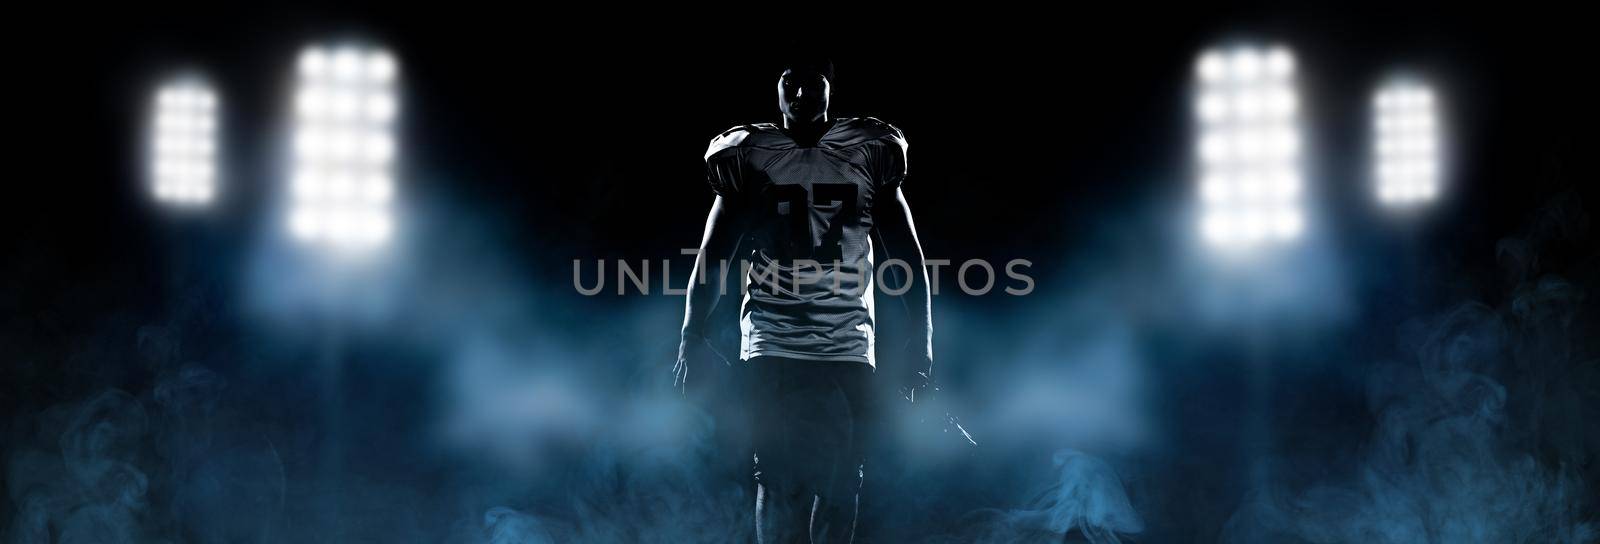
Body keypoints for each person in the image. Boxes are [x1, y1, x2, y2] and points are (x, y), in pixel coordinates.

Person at [674, 54, 935, 543]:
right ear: (776, 86)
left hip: (847, 341)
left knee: (841, 485)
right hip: (774, 339)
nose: (800, 95)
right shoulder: (748, 155)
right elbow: (713, 257)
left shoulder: (868, 151)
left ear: (831, 86)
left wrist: (921, 343)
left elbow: (909, 259)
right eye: (790, 83)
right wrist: (692, 334)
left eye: (812, 83)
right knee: (779, 480)